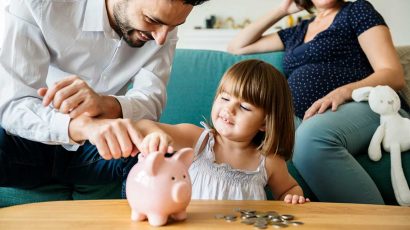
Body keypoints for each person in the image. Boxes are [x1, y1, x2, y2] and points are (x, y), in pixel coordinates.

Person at [0, 0, 209, 192]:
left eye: (173, 26)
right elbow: (12, 105)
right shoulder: (36, 4)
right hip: (26, 142)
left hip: (96, 152)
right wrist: (84, 126)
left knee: (154, 153)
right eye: (151, 20)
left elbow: (151, 102)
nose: (161, 38)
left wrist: (105, 104)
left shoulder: (162, 30)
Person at [227, 0, 406, 204]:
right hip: (307, 115)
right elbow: (236, 46)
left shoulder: (357, 11)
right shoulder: (299, 30)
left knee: (311, 139)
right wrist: (281, 11)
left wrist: (343, 92)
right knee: (264, 130)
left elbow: (393, 75)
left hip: (362, 103)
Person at [134, 59, 310, 204]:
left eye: (244, 107)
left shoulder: (268, 161)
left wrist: (293, 197)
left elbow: (289, 189)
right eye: (225, 98)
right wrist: (156, 135)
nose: (229, 109)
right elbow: (144, 127)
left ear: (265, 123)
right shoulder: (197, 140)